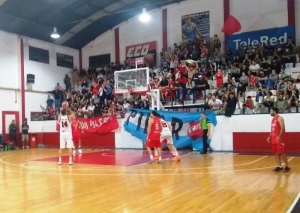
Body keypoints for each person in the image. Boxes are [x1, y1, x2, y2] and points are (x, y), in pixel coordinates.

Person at [267, 107, 290, 172]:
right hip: (274, 138)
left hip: (280, 138)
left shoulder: (280, 118)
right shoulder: (272, 119)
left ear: (274, 111)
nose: (270, 112)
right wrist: (269, 137)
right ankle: (279, 166)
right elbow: (272, 130)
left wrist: (279, 136)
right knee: (276, 153)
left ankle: (287, 166)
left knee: (282, 152)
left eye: (271, 111)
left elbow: (283, 128)